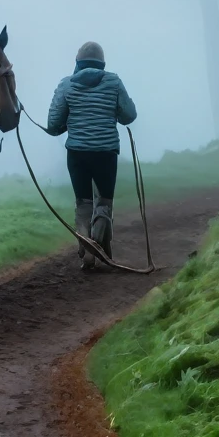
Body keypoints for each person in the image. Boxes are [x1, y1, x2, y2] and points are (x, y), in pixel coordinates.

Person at [45, 40, 137, 267]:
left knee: (83, 202)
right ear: (102, 63)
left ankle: (87, 249)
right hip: (106, 152)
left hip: (77, 153)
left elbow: (53, 125)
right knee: (104, 201)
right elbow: (129, 115)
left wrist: (70, 123)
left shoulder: (66, 85)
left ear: (78, 62)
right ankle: (100, 243)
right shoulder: (114, 82)